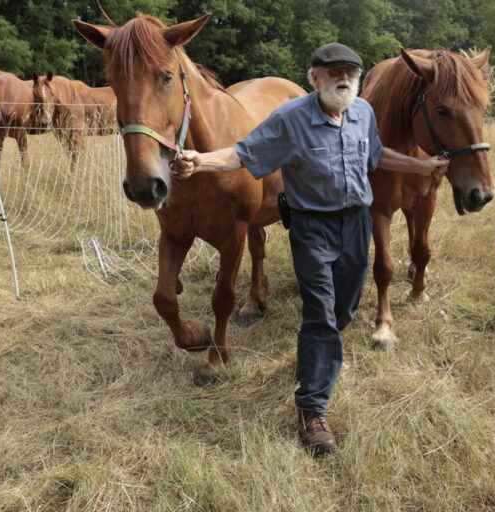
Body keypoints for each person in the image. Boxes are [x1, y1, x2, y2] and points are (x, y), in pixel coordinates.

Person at [171, 42, 449, 456]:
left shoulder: (363, 114)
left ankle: (317, 355)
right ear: (313, 76)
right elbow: (245, 154)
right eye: (333, 71)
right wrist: (201, 161)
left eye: (350, 73)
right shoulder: (291, 118)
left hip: (356, 224)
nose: (343, 79)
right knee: (320, 313)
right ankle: (313, 410)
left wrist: (422, 166)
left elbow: (378, 155)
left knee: (342, 311)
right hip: (311, 226)